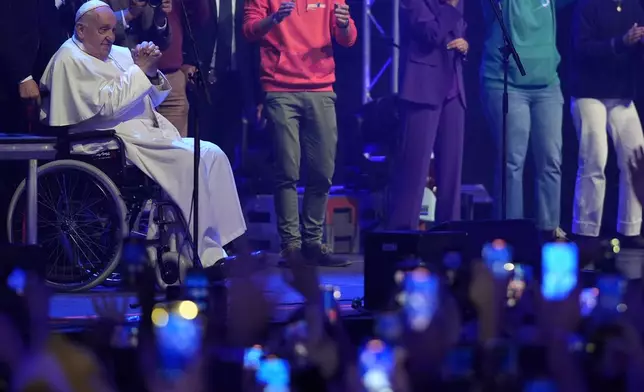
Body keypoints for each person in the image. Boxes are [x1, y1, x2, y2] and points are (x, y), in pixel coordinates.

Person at [39, 0, 247, 267]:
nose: (110, 37)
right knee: (189, 160)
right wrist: (139, 70)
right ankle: (207, 256)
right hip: (109, 139)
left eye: (112, 30)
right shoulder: (69, 58)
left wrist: (149, 71)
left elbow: (155, 98)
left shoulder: (117, 53)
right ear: (81, 30)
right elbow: (107, 108)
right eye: (103, 30)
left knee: (212, 153)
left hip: (145, 134)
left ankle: (226, 241)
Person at [243, 0, 357, 267]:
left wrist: (343, 24)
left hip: (321, 88)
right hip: (280, 88)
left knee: (323, 171)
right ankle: (291, 246)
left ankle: (313, 243)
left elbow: (348, 39)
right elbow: (249, 30)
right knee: (287, 170)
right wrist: (273, 19)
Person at [480, 0, 570, 240]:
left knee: (551, 160)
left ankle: (549, 229)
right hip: (504, 81)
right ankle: (512, 233)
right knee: (512, 161)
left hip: (548, 84)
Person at [387, 0, 467, 230]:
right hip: (422, 87)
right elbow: (430, 33)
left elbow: (458, 29)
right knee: (414, 170)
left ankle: (450, 233)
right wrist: (451, 6)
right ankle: (403, 233)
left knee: (451, 172)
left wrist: (464, 43)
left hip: (454, 89)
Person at [570, 0, 644, 245]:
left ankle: (630, 230)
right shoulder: (588, 6)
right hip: (589, 92)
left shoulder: (634, 6)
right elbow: (582, 48)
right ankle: (586, 231)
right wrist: (621, 42)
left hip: (621, 94)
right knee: (595, 158)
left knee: (636, 157)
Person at [189, 0, 264, 170]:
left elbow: (255, 48)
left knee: (229, 144)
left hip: (237, 80)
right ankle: (202, 191)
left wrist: (259, 95)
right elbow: (190, 31)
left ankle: (224, 191)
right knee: (204, 141)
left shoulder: (248, 3)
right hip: (204, 79)